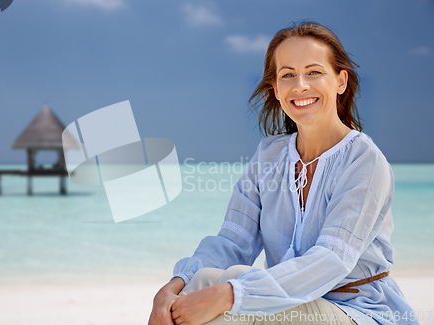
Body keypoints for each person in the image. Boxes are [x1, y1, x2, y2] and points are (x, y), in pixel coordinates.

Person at [149, 21, 418, 325]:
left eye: (314, 72)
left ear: (340, 81)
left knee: (233, 286)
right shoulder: (269, 156)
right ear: (276, 89)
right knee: (205, 280)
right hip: (285, 306)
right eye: (288, 75)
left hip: (359, 312)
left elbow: (330, 261)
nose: (300, 85)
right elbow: (232, 242)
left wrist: (231, 295)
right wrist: (173, 287)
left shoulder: (364, 161)